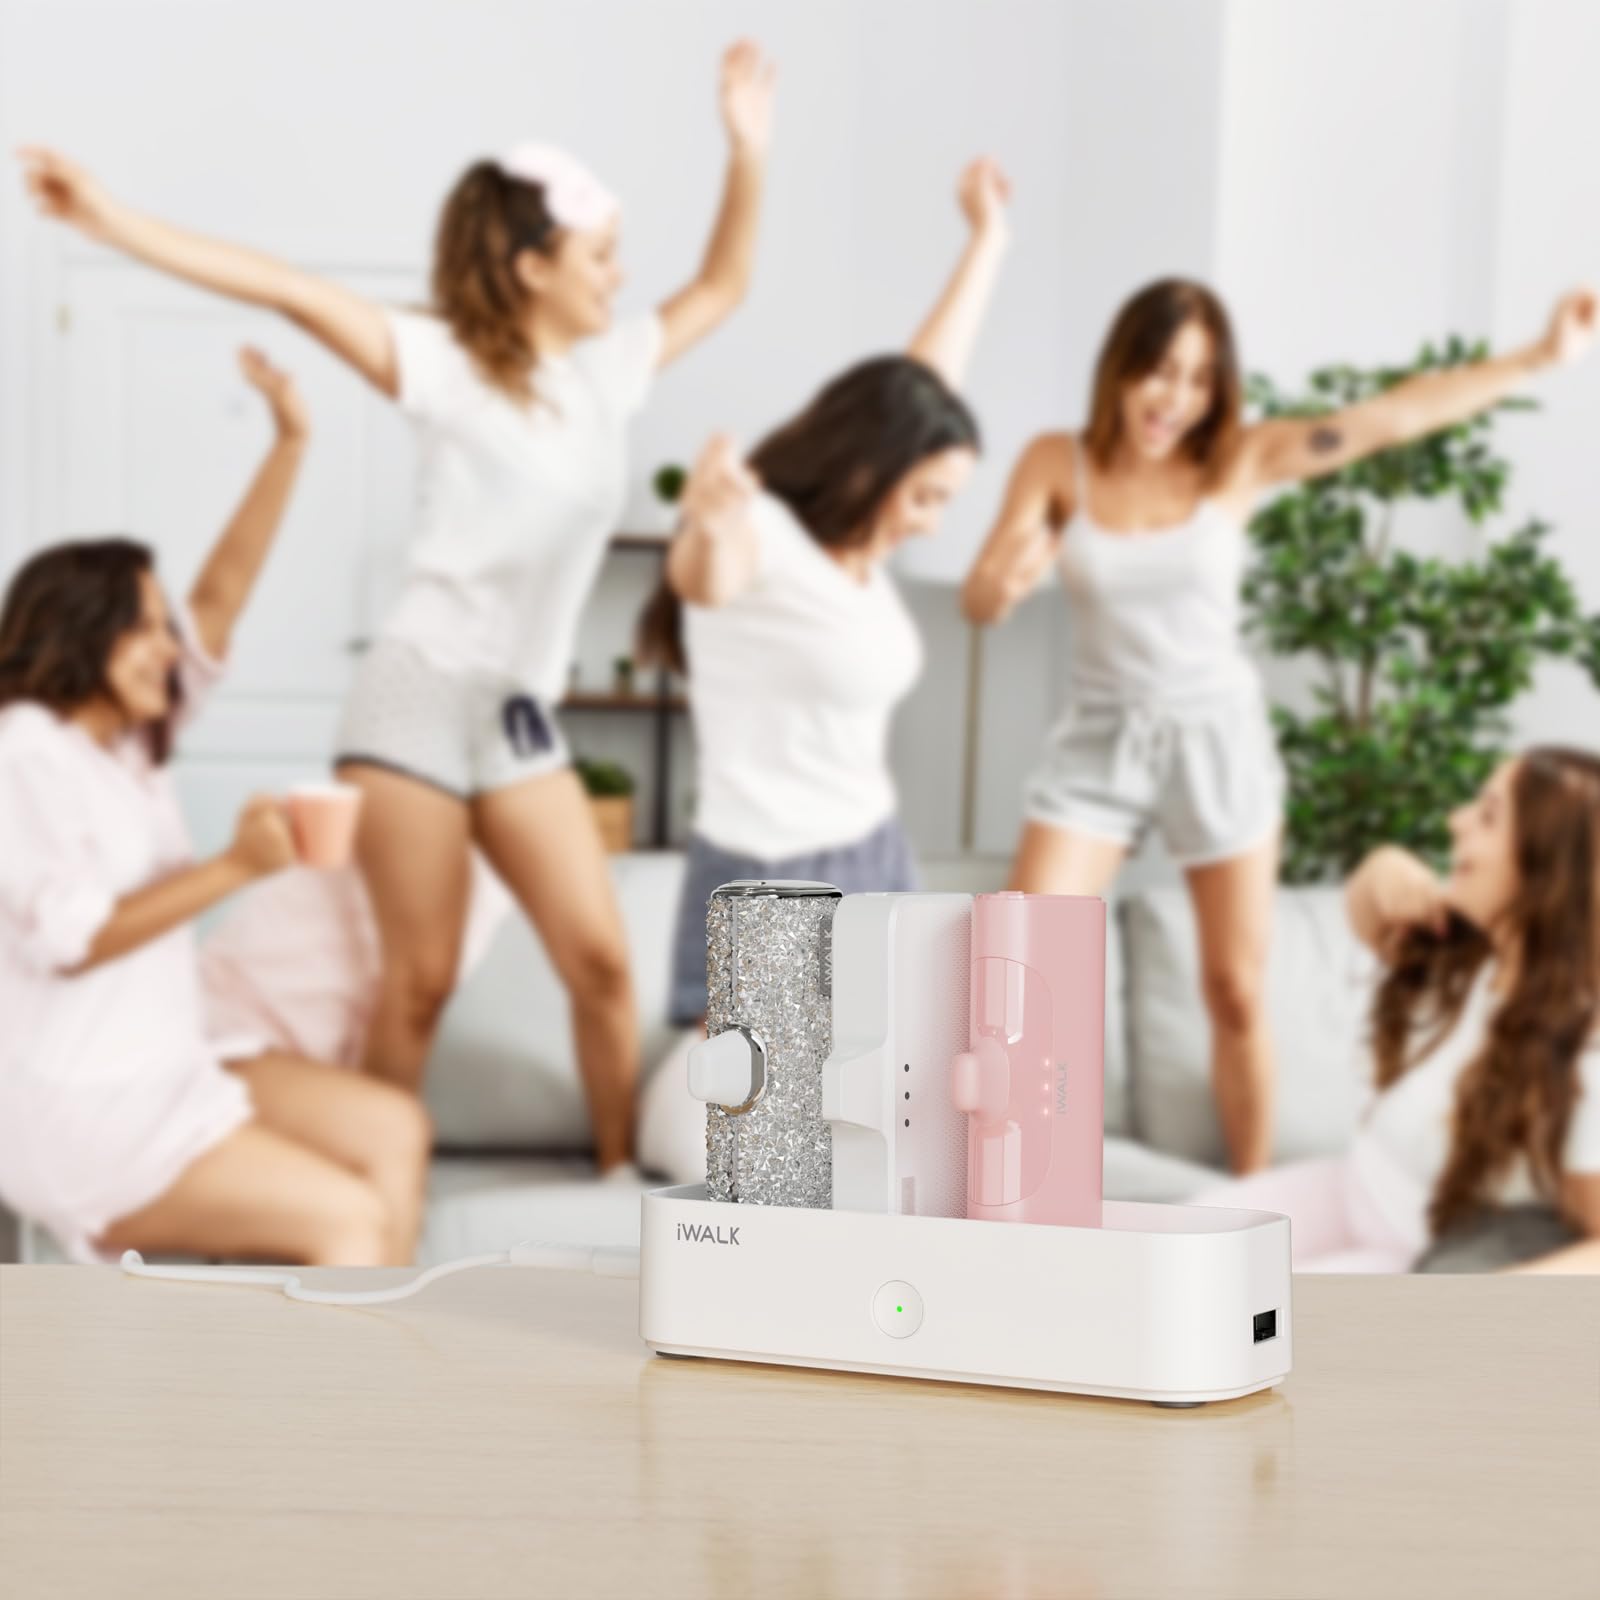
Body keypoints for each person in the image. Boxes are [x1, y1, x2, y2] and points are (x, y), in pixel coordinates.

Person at [20, 42, 778, 1176]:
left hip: (516, 710)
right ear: (529, 266)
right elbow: (284, 285)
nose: (618, 276)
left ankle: (622, 1184)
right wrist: (110, 219)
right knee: (414, 980)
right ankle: (388, 1206)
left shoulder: (610, 372)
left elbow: (722, 286)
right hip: (414, 694)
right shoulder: (441, 363)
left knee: (601, 963)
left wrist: (747, 149)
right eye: (599, 256)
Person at [962, 278, 1599, 1172]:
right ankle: (1016, 1181)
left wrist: (1539, 356)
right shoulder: (1054, 463)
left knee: (1234, 989)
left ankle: (1251, 1198)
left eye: (1199, 379)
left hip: (1216, 736)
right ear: (1121, 369)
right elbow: (981, 598)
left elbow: (1387, 420)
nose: (1175, 399)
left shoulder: (1238, 460)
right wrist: (1004, 581)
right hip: (1102, 733)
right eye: (1159, 371)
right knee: (1018, 965)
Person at [0, 352, 431, 1266]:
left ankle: (374, 1348)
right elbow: (71, 941)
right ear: (82, 629)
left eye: (165, 627)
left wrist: (291, 441)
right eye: (146, 626)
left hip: (171, 1064)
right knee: (350, 1220)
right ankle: (353, 1352)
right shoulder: (25, 754)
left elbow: (219, 598)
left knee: (394, 1127)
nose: (171, 647)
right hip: (86, 1112)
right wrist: (235, 868)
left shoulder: (127, 740)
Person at [638, 157, 1010, 1027]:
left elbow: (920, 391)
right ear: (869, 466)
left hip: (874, 848)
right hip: (771, 869)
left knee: (915, 1101)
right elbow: (704, 582)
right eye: (925, 498)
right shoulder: (761, 529)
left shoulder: (856, 544)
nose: (930, 523)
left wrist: (990, 240)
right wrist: (707, 525)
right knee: (778, 1119)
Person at [1190, 749, 1600, 1273]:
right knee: (1169, 1255)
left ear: (1546, 865)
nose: (1456, 821)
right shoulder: (1468, 957)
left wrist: (1475, 1301)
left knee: (1248, 1314)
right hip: (1347, 1192)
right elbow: (1367, 913)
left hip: (1408, 1257)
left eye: (1488, 816)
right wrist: (1381, 867)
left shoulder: (1582, 1050)